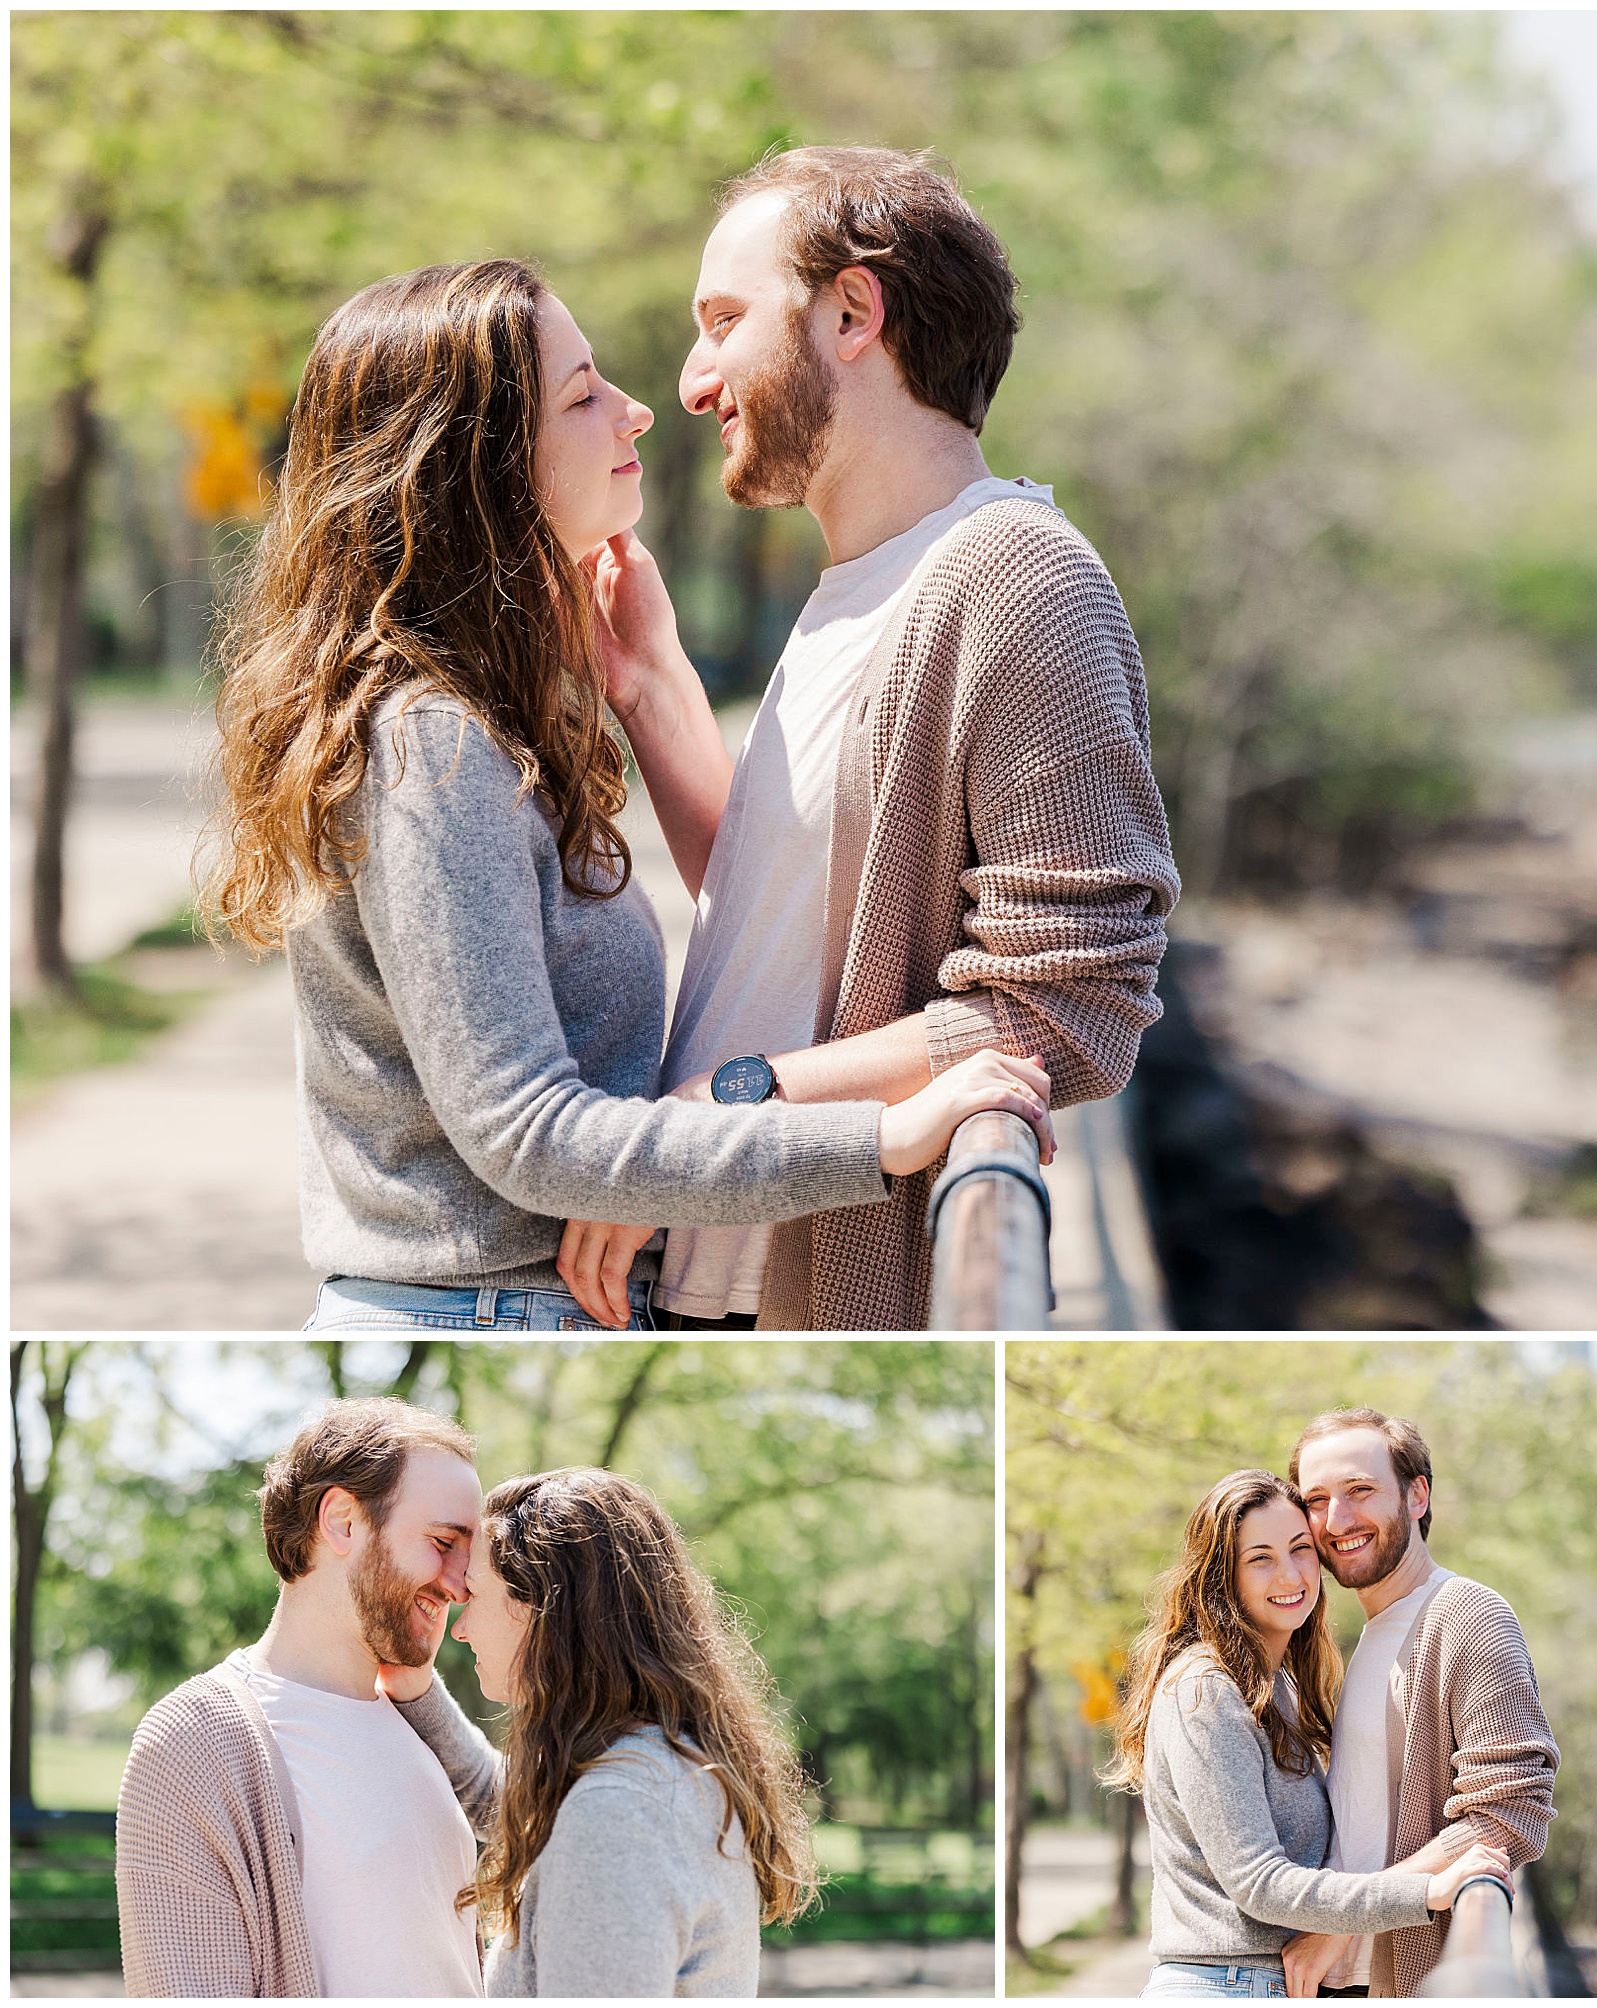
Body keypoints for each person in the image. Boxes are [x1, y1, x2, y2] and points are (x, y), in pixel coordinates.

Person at [201, 256, 1054, 1332]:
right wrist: (884, 1137)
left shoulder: (483, 723)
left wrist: (649, 683)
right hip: (484, 1311)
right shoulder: (433, 745)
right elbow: (528, 1134)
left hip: (516, 1312)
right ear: (481, 469)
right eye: (582, 394)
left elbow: (766, 900)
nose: (640, 409)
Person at [556, 145, 1181, 1331]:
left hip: (802, 1284)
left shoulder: (1017, 579)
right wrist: (649, 688)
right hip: (687, 1281)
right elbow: (800, 915)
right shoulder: (862, 585)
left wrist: (721, 1109)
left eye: (725, 319)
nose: (692, 381)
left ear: (851, 312)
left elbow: (1071, 1006)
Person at [377, 1466, 807, 1996]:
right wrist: (415, 1687)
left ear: (544, 1612)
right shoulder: (655, 1769)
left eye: (477, 1594)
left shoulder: (619, 1813)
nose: (459, 1628)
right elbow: (506, 1798)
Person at [115, 1399, 487, 1997]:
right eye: (445, 1542)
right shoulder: (194, 1741)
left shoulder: (424, 1729)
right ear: (341, 1520)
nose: (464, 1582)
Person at [1106, 1469, 1513, 2000]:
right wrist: (1426, 1891)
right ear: (1219, 1576)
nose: (1290, 1575)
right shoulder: (1205, 1692)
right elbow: (1257, 1882)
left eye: (1300, 1549)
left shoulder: (1277, 1688)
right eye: (1260, 1558)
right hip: (1224, 1986)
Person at [1282, 1407, 1560, 1997]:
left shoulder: (1469, 1618)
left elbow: (1509, 1813)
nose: (1337, 1519)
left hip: (1405, 1980)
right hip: (1327, 1983)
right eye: (1316, 1499)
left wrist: (1346, 1921)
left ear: (1417, 1495)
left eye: (1361, 1490)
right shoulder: (1364, 1635)